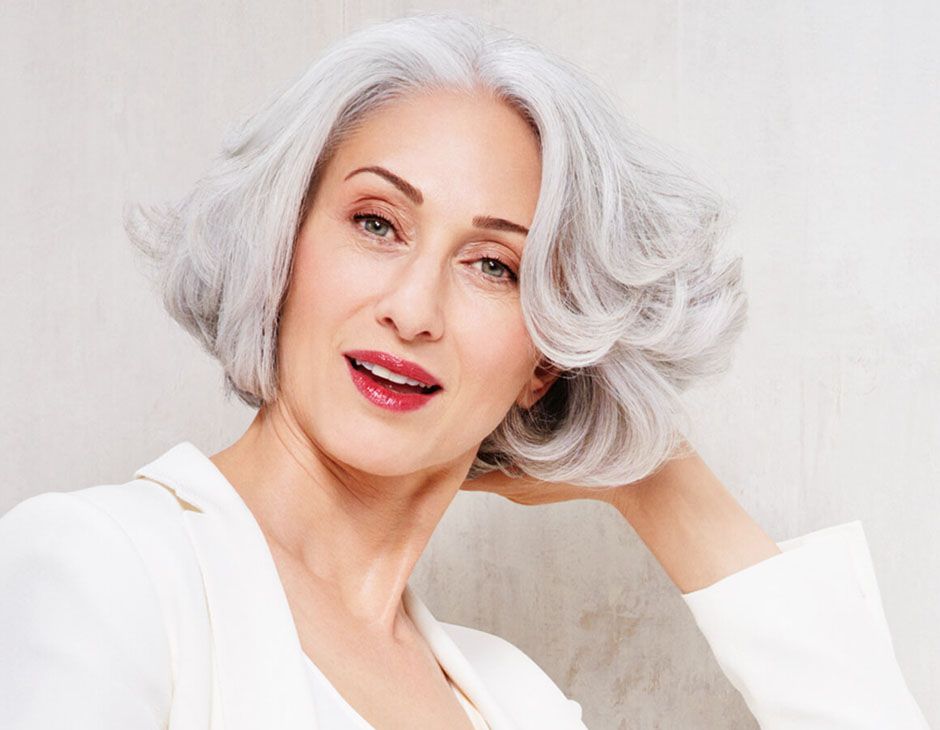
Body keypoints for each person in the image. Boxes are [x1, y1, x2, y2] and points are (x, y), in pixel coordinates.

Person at [0, 10, 929, 730]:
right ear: (282, 248)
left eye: (494, 266)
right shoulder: (105, 565)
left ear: (546, 359)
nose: (413, 309)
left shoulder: (516, 702)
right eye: (376, 223)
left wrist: (658, 482)